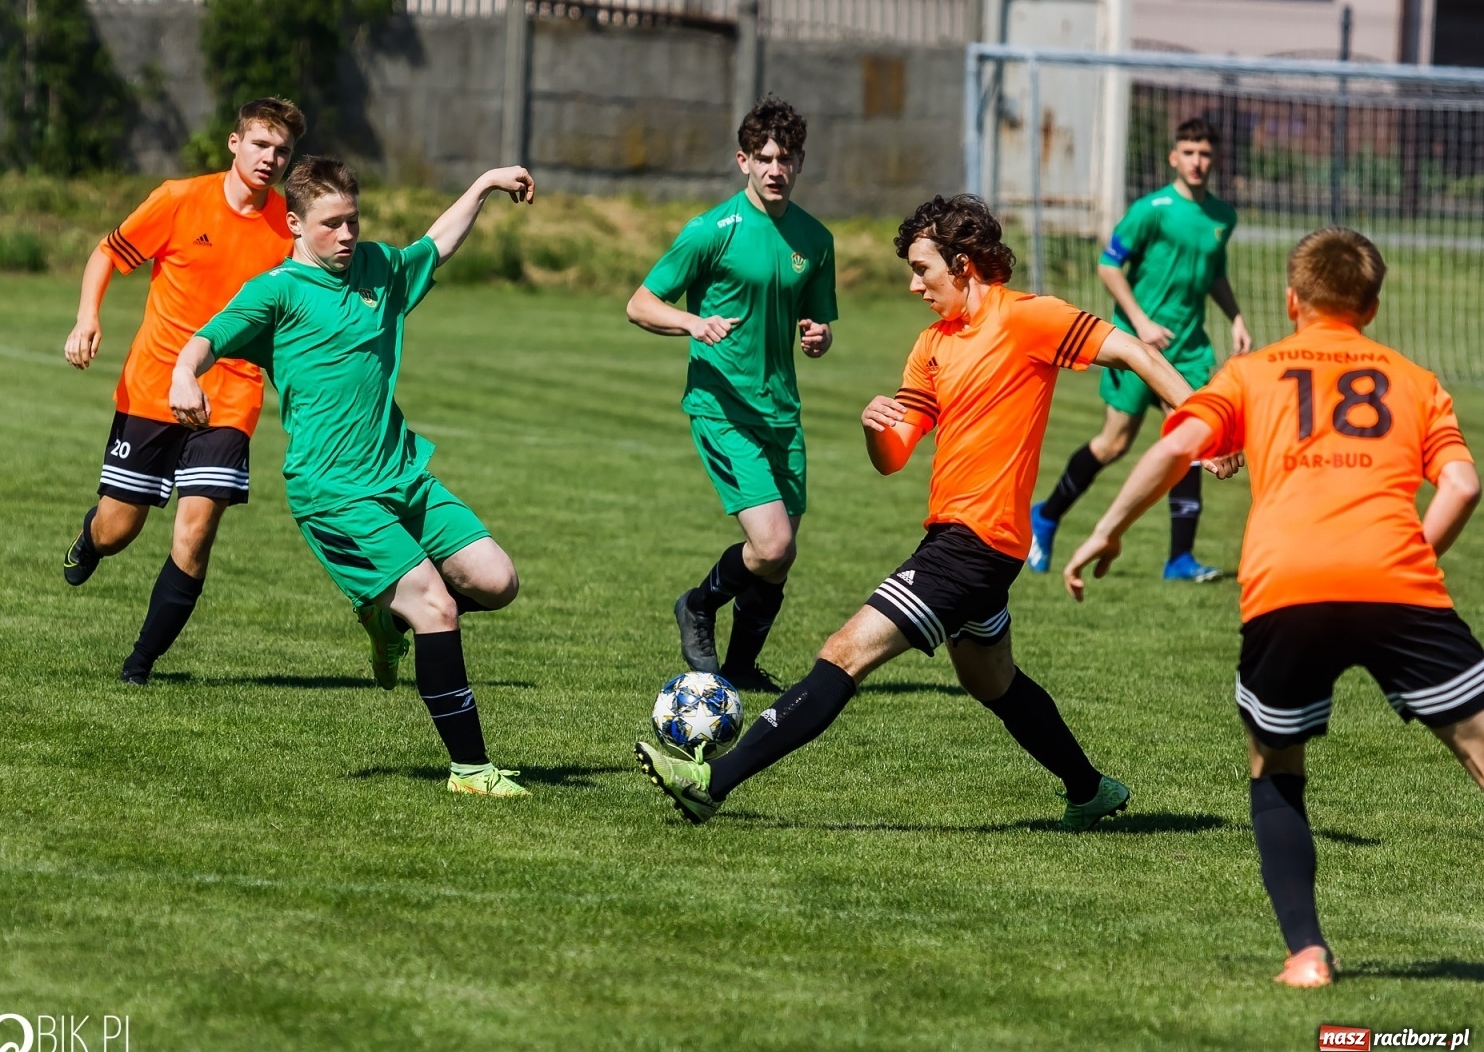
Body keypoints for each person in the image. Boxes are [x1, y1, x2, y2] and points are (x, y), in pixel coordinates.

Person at [635, 194, 1218, 827]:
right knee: (992, 681)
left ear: (963, 264)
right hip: (966, 539)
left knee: (843, 653)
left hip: (975, 544)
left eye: (923, 270)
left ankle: (710, 781)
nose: (915, 285)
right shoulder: (931, 345)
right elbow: (892, 457)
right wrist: (873, 426)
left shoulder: (1028, 318)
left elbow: (1136, 352)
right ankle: (1090, 789)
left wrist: (1202, 429)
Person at [1063, 227, 1484, 988]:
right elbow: (1461, 487)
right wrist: (1409, 557)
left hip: (1287, 587)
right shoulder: (1417, 381)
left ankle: (1309, 956)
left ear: (1292, 301)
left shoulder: (1252, 372)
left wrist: (1105, 530)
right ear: (1374, 306)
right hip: (1399, 584)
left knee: (1276, 767)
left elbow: (1172, 448)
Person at [168, 157, 537, 798]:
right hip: (333, 490)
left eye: (352, 221)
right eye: (330, 223)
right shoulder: (276, 292)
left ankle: (386, 623)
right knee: (437, 607)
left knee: (497, 581)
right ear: (294, 224)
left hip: (400, 471)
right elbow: (208, 339)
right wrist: (182, 373)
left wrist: (481, 185)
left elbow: (436, 245)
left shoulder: (377, 269)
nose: (346, 235)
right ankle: (471, 770)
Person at [61, 98, 305, 685]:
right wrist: (86, 317)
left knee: (194, 535)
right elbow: (106, 252)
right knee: (120, 528)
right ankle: (91, 539)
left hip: (232, 396)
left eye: (282, 151)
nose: (270, 159)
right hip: (152, 388)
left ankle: (139, 664)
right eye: (260, 145)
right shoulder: (178, 199)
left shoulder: (288, 226)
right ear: (234, 143)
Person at [626, 96, 837, 693]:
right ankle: (697, 605)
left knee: (781, 554)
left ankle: (741, 668)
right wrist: (693, 324)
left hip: (782, 413)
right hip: (722, 407)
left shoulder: (815, 240)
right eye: (765, 158)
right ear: (743, 160)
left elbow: (817, 328)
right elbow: (640, 304)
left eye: (787, 158)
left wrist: (819, 337)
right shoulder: (710, 231)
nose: (776, 169)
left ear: (799, 164)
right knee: (769, 545)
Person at [1030, 117, 1251, 582]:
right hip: (1135, 347)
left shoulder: (1222, 217)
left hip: (1189, 350)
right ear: (1174, 157)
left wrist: (1235, 316)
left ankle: (1180, 559)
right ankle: (1046, 517)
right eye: (1188, 151)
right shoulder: (1152, 209)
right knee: (1114, 443)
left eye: (1205, 153)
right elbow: (1109, 266)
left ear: (1215, 159)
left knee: (1195, 438)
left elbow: (1212, 274)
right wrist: (1143, 322)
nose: (1197, 160)